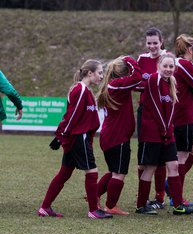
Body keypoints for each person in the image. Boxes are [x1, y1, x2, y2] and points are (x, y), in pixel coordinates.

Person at [38, 59, 112, 219]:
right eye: (99, 73)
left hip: (78, 137)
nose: (101, 76)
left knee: (64, 173)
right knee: (92, 171)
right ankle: (93, 210)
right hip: (78, 137)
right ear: (90, 73)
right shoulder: (80, 89)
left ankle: (45, 207)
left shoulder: (85, 90)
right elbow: (72, 115)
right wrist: (60, 136)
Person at [136, 53, 193, 216]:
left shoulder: (171, 82)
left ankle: (178, 205)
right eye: (165, 66)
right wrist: (164, 129)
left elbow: (170, 111)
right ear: (158, 66)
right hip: (153, 133)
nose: (168, 69)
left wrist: (168, 130)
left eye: (171, 67)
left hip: (166, 133)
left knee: (174, 166)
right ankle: (141, 205)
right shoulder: (154, 80)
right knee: (151, 168)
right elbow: (155, 108)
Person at [96, 56, 142, 216]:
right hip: (117, 137)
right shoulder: (117, 85)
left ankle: (93, 195)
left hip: (111, 136)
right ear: (123, 73)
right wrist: (130, 60)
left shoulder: (113, 85)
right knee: (119, 173)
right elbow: (138, 77)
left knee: (113, 170)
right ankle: (110, 206)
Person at [170, 34, 193, 207]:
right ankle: (176, 196)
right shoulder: (183, 64)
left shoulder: (183, 65)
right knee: (181, 157)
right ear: (189, 50)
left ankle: (171, 185)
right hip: (181, 118)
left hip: (187, 118)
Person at [136, 27, 168, 209]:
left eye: (155, 42)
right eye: (149, 43)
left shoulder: (167, 58)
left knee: (161, 157)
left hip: (163, 112)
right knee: (144, 156)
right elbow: (137, 83)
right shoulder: (142, 59)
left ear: (161, 42)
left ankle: (160, 197)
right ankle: (143, 196)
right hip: (145, 112)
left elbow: (170, 83)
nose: (152, 46)